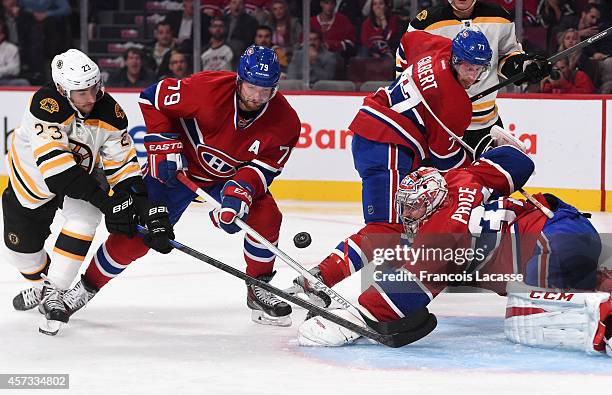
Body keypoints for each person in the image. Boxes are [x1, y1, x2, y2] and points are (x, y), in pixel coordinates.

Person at [295, 144, 612, 357]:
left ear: (430, 204)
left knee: (532, 316)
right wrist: (496, 147)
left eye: (413, 208)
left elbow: (401, 294)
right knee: (584, 283)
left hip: (549, 244)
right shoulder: (462, 178)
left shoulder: (442, 236)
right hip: (570, 225)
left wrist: (348, 320)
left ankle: (606, 320)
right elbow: (519, 163)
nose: (407, 215)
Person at [62, 46, 302, 327]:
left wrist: (239, 194)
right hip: (174, 171)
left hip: (227, 178)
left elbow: (264, 167)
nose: (258, 97)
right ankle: (85, 288)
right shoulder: (207, 89)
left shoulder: (286, 122)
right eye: (252, 88)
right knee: (137, 237)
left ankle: (258, 287)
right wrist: (163, 144)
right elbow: (152, 97)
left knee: (267, 216)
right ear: (239, 80)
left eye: (266, 90)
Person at [286, 29, 492, 318]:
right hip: (391, 144)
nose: (472, 74)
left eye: (478, 68)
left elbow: (408, 41)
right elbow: (445, 162)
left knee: (386, 228)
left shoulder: (437, 48)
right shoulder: (457, 106)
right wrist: (477, 162)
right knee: (389, 229)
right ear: (456, 59)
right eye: (467, 66)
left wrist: (409, 83)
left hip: (368, 130)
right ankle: (320, 278)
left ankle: (369, 283)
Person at [3, 49, 172, 334]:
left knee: (85, 221)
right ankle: (41, 284)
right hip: (32, 183)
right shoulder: (45, 106)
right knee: (20, 252)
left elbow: (124, 165)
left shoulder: (110, 112)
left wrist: (140, 204)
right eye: (81, 92)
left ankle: (54, 292)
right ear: (62, 89)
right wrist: (108, 203)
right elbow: (58, 173)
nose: (91, 99)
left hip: (81, 178)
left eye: (94, 88)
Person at [402, 0, 552, 151]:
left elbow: (506, 56)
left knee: (495, 172)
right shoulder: (425, 23)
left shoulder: (499, 17)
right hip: (442, 122)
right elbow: (407, 68)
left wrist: (525, 66)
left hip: (486, 122)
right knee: (443, 173)